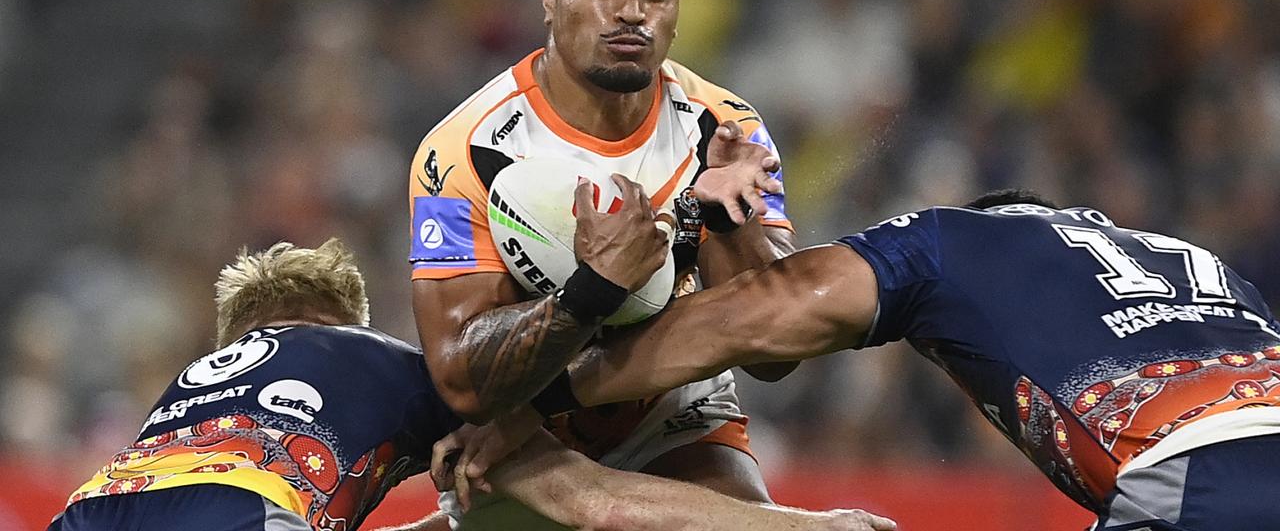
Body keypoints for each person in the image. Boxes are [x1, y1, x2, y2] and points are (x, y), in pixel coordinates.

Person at [439, 190, 1280, 531]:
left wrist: (544, 401)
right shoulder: (1206, 268)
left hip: (1197, 481)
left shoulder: (958, 240)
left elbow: (762, 317)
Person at [407, 0, 797, 528]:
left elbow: (776, 359)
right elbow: (462, 380)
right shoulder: (459, 152)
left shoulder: (725, 130)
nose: (632, 12)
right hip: (524, 445)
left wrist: (729, 218)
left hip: (676, 419)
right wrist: (595, 291)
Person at [46, 238, 897, 531]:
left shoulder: (184, 395)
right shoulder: (393, 367)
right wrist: (803, 525)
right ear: (344, 319)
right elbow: (594, 503)